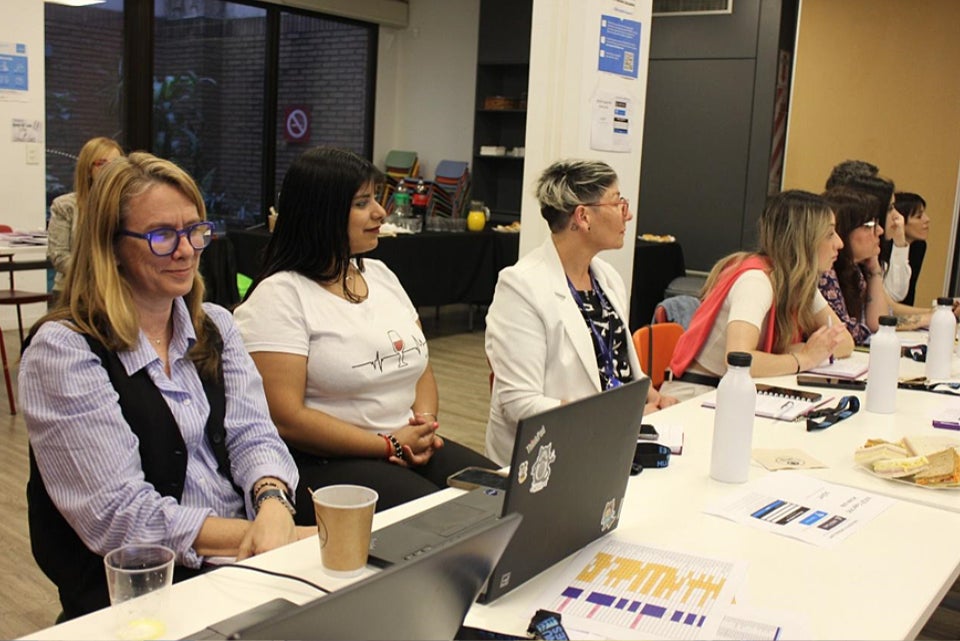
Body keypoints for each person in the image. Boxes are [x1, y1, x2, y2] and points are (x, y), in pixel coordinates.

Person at [21, 152, 306, 620]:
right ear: (110, 246)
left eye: (196, 231)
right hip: (145, 593)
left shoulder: (215, 324)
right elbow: (120, 516)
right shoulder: (65, 350)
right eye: (160, 236)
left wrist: (273, 502)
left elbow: (254, 434)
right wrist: (270, 537)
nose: (186, 251)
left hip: (247, 559)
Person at [234, 147, 493, 521]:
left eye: (376, 199)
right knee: (447, 519)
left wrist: (422, 426)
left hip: (402, 442)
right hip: (327, 461)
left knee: (503, 492)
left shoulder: (381, 275)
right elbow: (287, 418)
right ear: (320, 214)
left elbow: (420, 365)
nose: (380, 212)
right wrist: (386, 444)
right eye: (362, 203)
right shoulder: (280, 295)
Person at [484, 159, 677, 466]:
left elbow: (620, 368)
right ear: (584, 216)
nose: (628, 214)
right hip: (545, 459)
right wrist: (615, 418)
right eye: (618, 202)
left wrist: (654, 398)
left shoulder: (607, 278)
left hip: (611, 441)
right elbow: (520, 403)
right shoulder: (522, 286)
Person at [662, 190, 853, 401]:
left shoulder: (798, 281)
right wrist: (804, 358)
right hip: (695, 396)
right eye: (829, 234)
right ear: (803, 241)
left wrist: (806, 352)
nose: (839, 243)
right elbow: (738, 360)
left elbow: (845, 342)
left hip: (733, 393)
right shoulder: (756, 282)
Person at [47, 136, 123, 307]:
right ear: (88, 169)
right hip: (73, 290)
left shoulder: (127, 207)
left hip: (118, 290)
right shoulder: (65, 206)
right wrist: (97, 273)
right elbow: (58, 256)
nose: (110, 170)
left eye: (116, 164)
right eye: (102, 163)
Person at [817, 187, 890, 345]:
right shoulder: (825, 271)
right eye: (869, 225)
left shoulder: (854, 269)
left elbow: (878, 324)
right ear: (843, 231)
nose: (880, 230)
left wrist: (875, 271)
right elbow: (847, 334)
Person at [890, 192, 928, 306]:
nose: (927, 219)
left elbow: (908, 293)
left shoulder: (918, 246)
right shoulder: (883, 246)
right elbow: (892, 299)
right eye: (919, 216)